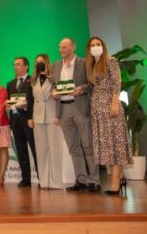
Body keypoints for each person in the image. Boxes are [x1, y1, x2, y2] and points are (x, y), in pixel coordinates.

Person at [85, 36, 132, 195]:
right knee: (107, 146)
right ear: (89, 49)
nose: (96, 47)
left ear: (103, 46)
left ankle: (115, 183)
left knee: (115, 143)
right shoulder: (91, 65)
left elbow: (117, 82)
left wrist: (114, 103)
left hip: (110, 107)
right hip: (97, 109)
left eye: (98, 44)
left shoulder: (110, 61)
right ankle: (120, 177)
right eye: (93, 45)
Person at [52, 38, 100, 193]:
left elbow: (92, 84)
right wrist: (53, 92)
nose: (61, 50)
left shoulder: (84, 63)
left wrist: (82, 89)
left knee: (88, 145)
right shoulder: (56, 65)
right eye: (59, 47)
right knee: (73, 147)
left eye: (64, 47)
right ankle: (81, 179)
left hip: (80, 107)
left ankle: (94, 180)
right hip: (64, 109)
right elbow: (54, 85)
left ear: (73, 47)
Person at [29, 54, 64, 189]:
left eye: (41, 62)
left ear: (47, 63)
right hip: (38, 117)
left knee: (55, 149)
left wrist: (58, 115)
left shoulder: (54, 78)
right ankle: (43, 181)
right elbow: (32, 101)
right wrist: (32, 117)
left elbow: (60, 98)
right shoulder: (33, 80)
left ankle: (56, 182)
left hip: (52, 116)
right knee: (41, 150)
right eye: (37, 62)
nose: (39, 64)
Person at [5, 57, 37, 187]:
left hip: (29, 120)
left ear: (27, 66)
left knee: (35, 150)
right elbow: (9, 101)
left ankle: (42, 178)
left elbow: (35, 101)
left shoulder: (32, 81)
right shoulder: (10, 84)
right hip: (16, 121)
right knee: (21, 151)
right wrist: (7, 105)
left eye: (18, 64)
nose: (15, 67)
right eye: (14, 65)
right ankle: (26, 179)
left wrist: (27, 106)